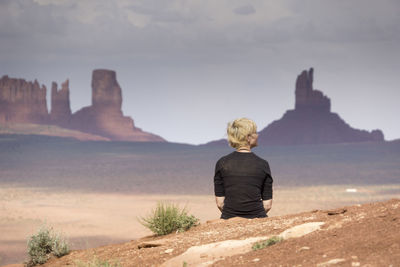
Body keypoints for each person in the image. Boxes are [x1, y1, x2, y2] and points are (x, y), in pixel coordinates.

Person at [214, 118, 273, 219]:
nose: (258, 135)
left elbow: (220, 203)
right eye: (255, 132)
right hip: (258, 219)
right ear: (248, 137)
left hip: (228, 219)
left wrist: (235, 217)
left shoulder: (222, 163)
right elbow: (267, 205)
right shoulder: (263, 164)